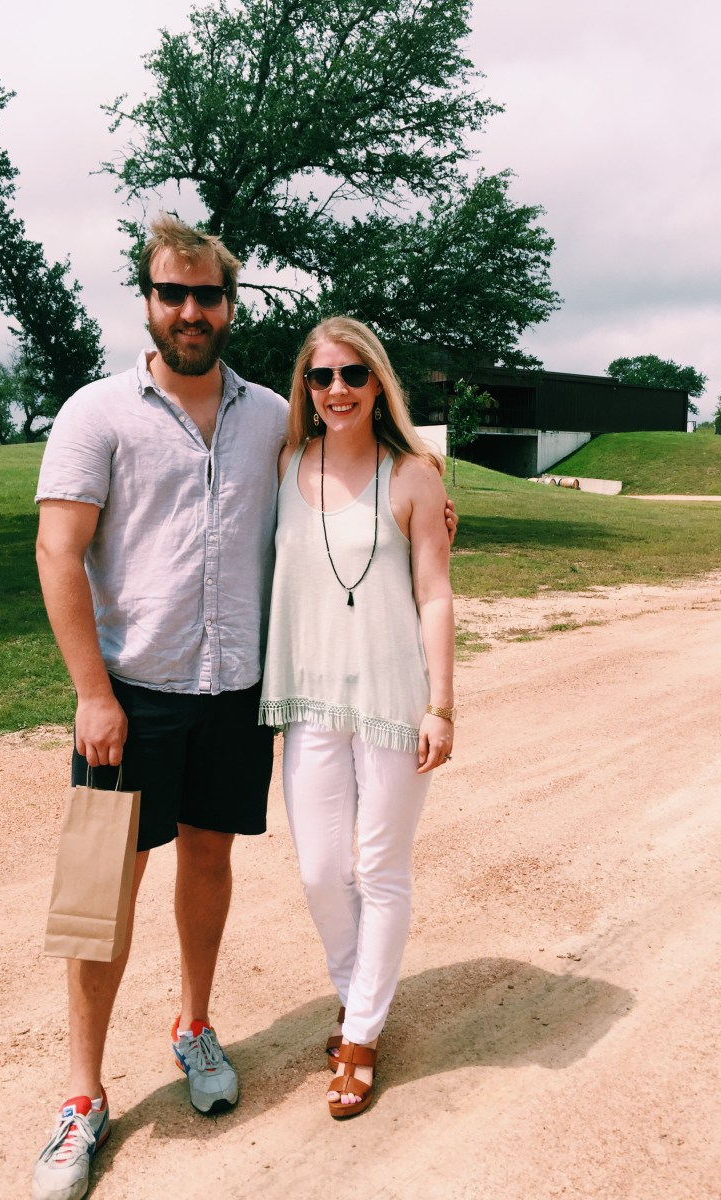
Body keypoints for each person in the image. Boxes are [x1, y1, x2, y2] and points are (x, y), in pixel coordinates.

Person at [31, 214, 287, 1200]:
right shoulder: (96, 412)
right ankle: (82, 1096)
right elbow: (58, 552)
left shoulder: (272, 416)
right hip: (129, 699)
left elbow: (349, 479)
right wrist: (92, 693)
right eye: (171, 293)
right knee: (101, 893)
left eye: (206, 295)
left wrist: (427, 507)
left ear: (230, 306)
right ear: (147, 301)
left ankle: (193, 1025)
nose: (190, 310)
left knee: (210, 861)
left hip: (235, 693)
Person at [259, 316, 455, 1118]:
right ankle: (355, 992)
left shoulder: (413, 475)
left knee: (379, 869)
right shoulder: (285, 464)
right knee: (318, 869)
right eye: (320, 376)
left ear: (377, 383)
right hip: (308, 696)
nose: (335, 389)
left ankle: (362, 1034)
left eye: (351, 374)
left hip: (391, 698)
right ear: (304, 388)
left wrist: (441, 705)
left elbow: (434, 593)